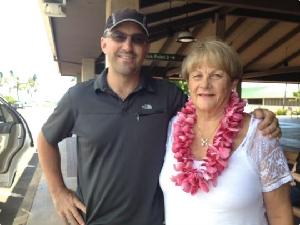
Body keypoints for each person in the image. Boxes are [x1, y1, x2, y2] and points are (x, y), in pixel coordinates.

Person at [37, 8, 281, 225]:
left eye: (138, 39)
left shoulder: (168, 95)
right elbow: (46, 139)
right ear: (104, 44)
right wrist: (58, 192)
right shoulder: (78, 98)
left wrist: (258, 117)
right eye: (119, 37)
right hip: (95, 218)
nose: (127, 46)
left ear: (146, 48)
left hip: (155, 220)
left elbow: (212, 107)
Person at [159, 39, 293, 225]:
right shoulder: (172, 127)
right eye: (197, 75)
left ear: (232, 83)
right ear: (188, 82)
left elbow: (280, 216)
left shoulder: (260, 135)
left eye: (216, 75)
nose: (205, 84)